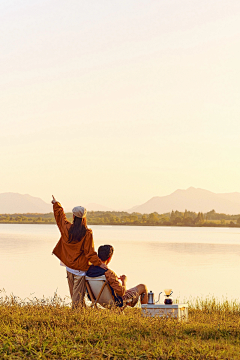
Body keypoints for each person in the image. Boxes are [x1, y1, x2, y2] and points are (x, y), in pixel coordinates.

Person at [51, 195, 107, 308]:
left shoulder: (66, 228)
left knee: (75, 295)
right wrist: (100, 263)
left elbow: (60, 217)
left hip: (68, 265)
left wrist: (56, 204)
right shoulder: (87, 233)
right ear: (84, 217)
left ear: (73, 216)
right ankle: (77, 314)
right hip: (80, 269)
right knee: (77, 297)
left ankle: (79, 312)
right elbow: (89, 253)